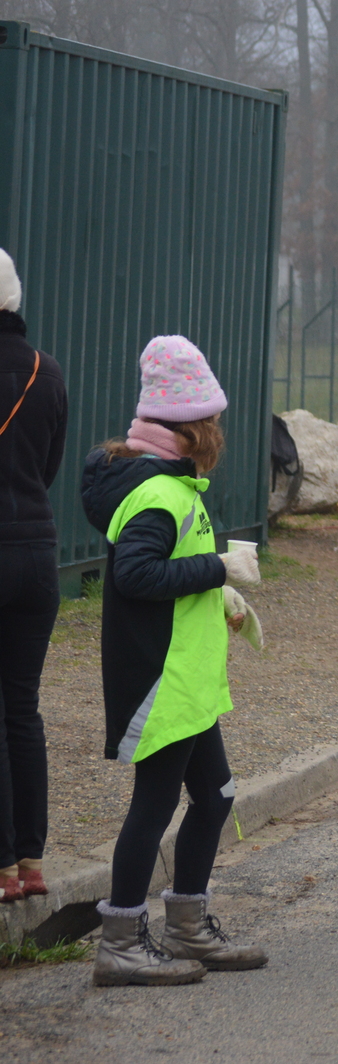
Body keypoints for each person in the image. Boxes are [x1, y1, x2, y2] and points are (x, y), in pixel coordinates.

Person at [80, 336, 268, 986]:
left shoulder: (170, 486)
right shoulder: (159, 493)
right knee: (154, 806)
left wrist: (220, 595)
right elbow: (136, 576)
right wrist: (218, 567)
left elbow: (162, 571)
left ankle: (186, 927)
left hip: (188, 681)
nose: (219, 434)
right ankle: (120, 942)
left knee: (214, 799)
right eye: (212, 422)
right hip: (162, 681)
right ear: (190, 430)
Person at [0, 249, 67, 905]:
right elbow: (48, 467)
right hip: (37, 554)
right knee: (21, 708)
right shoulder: (48, 372)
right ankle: (31, 860)